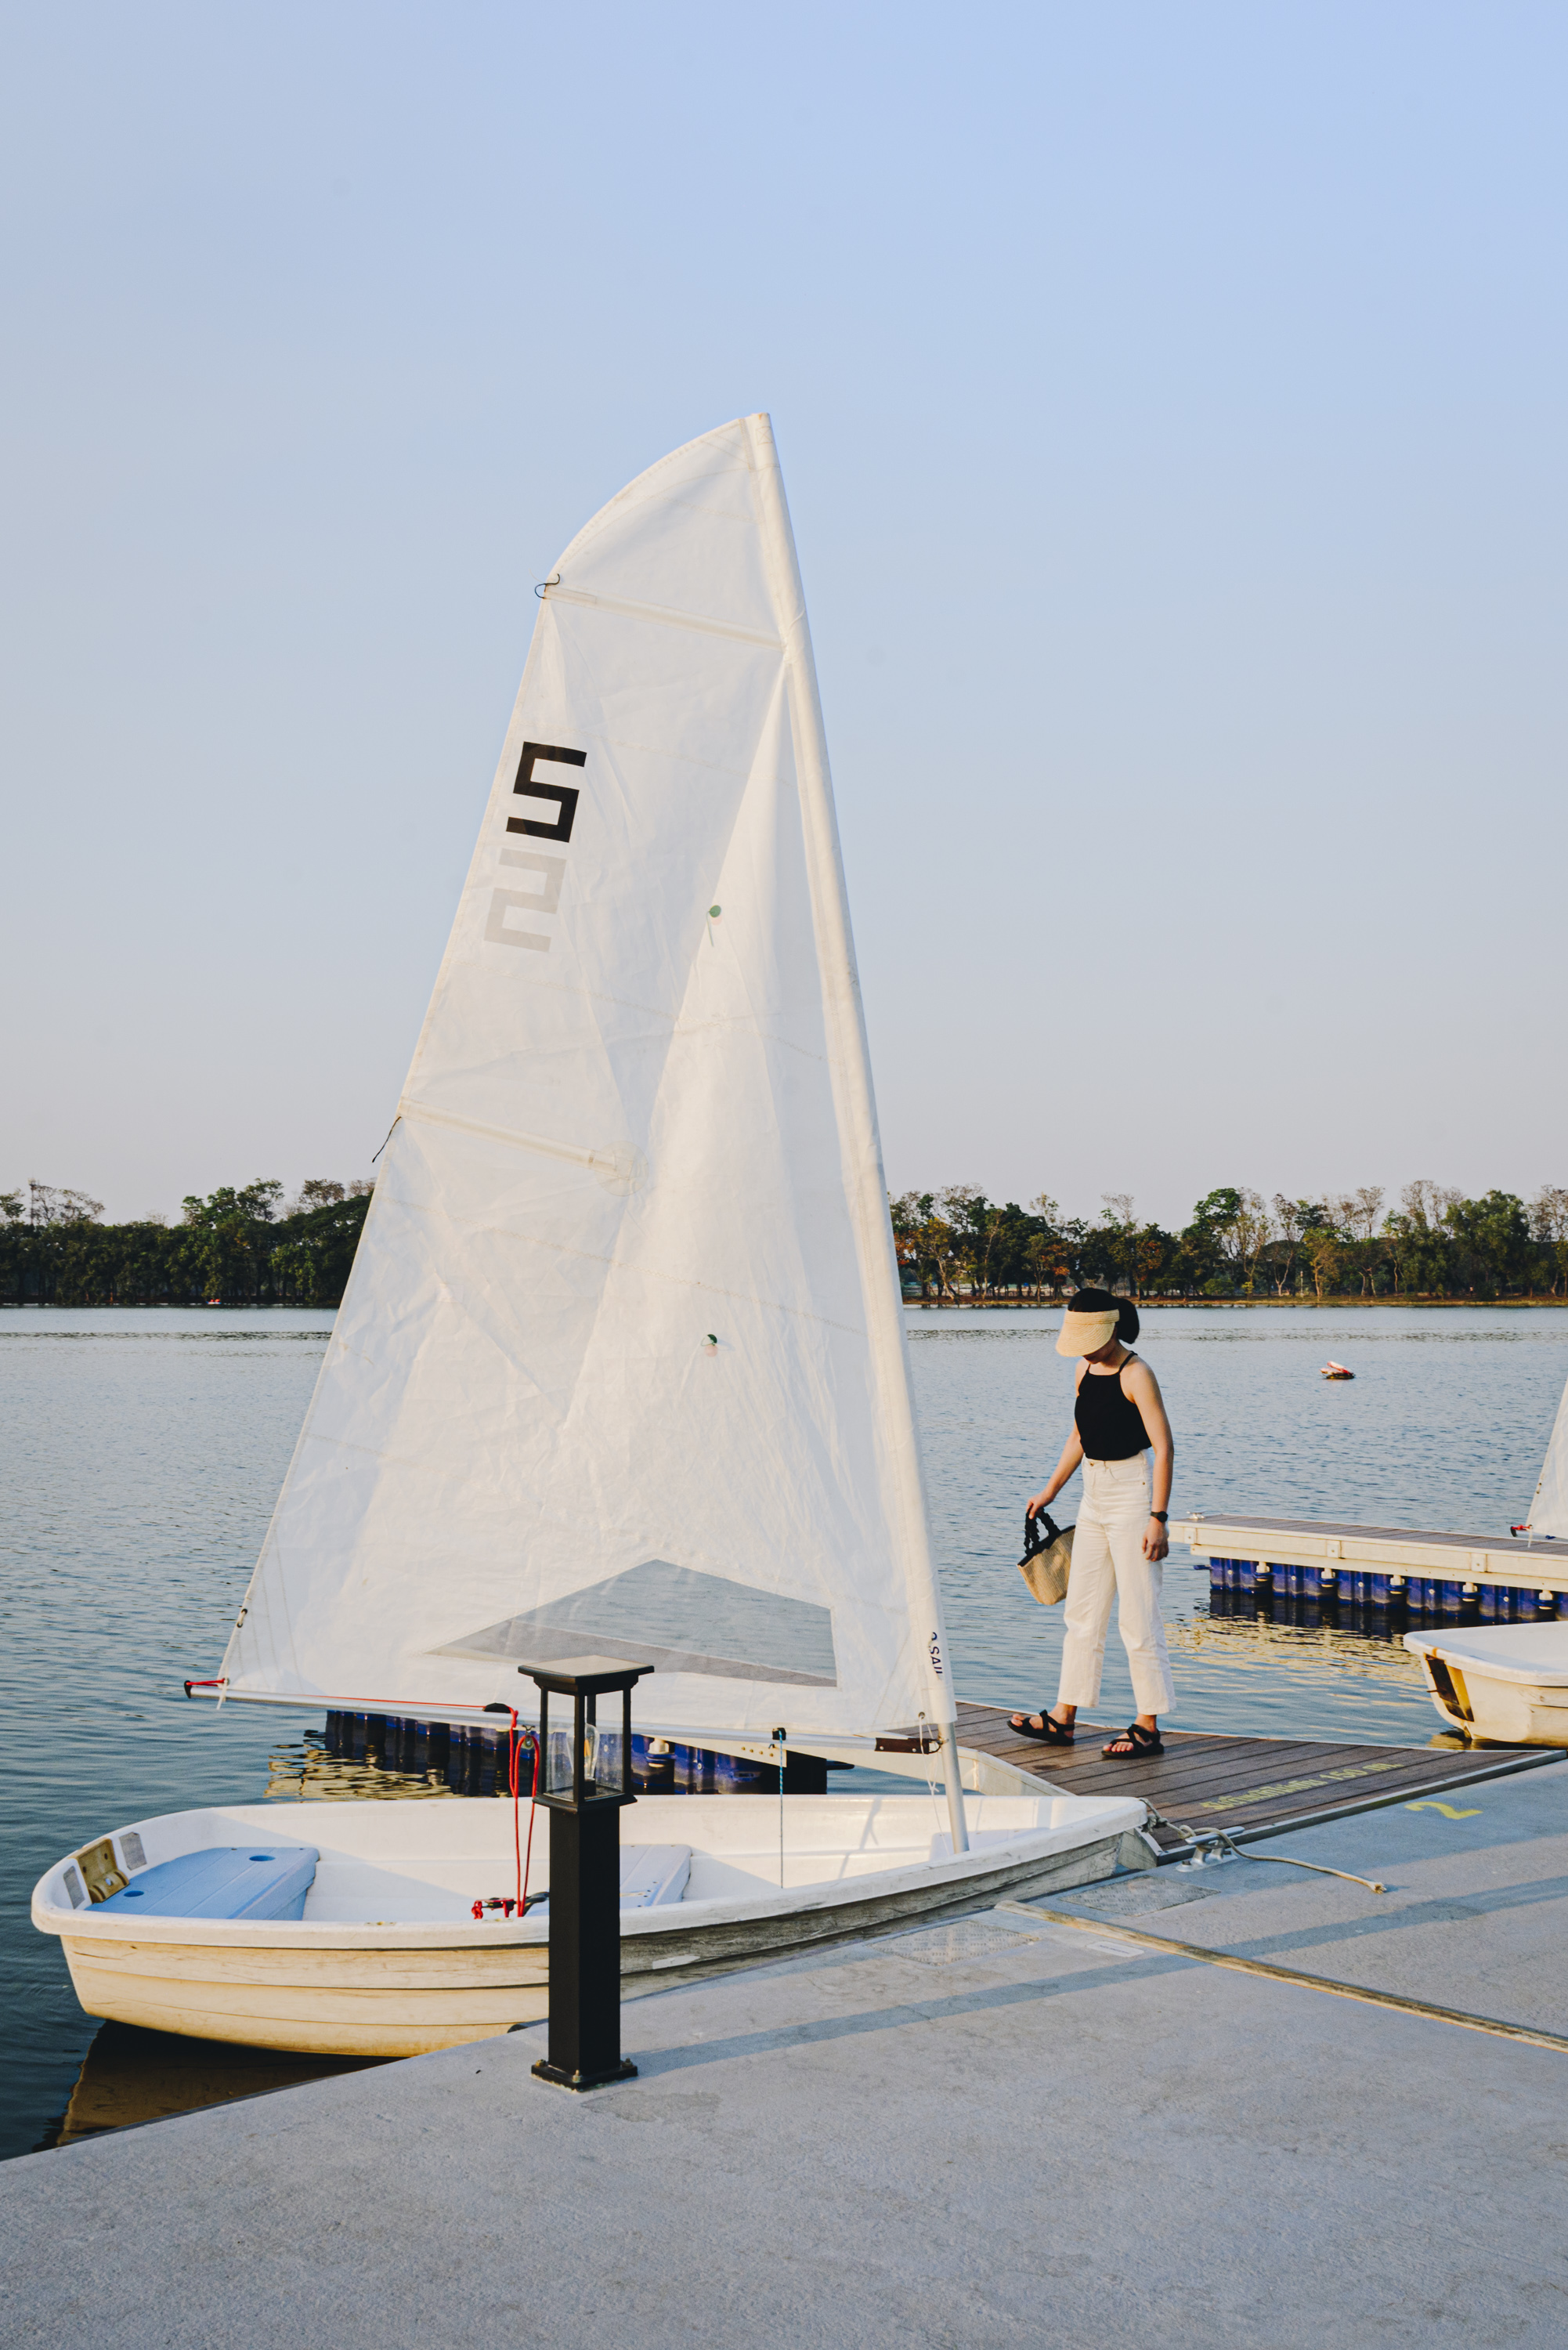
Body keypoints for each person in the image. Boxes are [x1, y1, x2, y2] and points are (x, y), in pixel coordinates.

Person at [1009, 1288, 1176, 1758]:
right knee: (1081, 1613)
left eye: (1088, 1340)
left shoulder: (1137, 1373)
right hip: (1092, 1494)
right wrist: (1050, 1491)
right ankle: (1063, 1718)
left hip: (1133, 1494)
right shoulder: (1083, 1369)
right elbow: (1079, 1436)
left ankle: (1147, 1725)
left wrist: (1158, 1518)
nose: (1082, 1351)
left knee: (1138, 1616)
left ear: (1110, 1329)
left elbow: (1164, 1448)